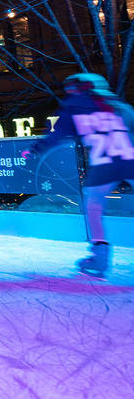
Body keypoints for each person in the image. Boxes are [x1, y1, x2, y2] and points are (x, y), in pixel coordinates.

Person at [23, 72, 134, 278]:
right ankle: (98, 257)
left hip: (105, 163)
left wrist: (36, 149)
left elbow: (55, 133)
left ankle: (99, 256)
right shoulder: (117, 106)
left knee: (94, 204)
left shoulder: (72, 107)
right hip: (130, 157)